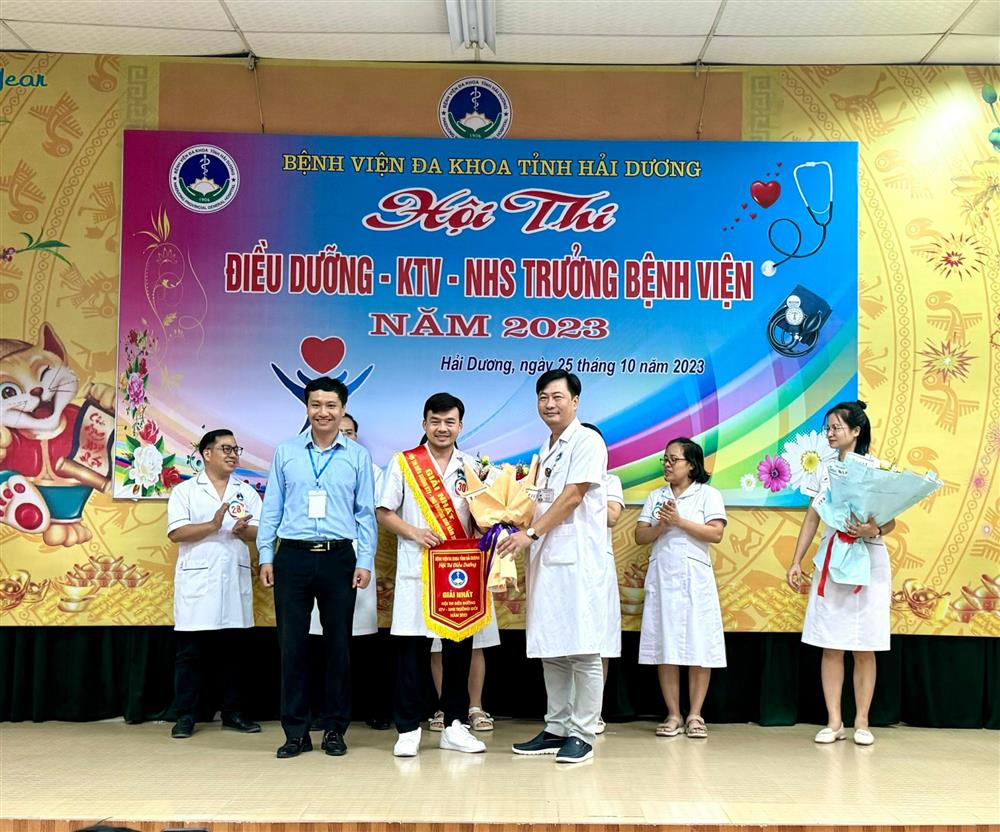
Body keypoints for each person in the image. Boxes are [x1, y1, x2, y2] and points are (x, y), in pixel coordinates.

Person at [257, 376, 375, 759]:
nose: (323, 412)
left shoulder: (357, 456)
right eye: (316, 405)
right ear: (306, 408)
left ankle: (335, 729)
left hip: (339, 558)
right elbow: (272, 507)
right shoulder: (286, 452)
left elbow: (365, 513)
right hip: (292, 557)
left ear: (342, 409)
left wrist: (365, 560)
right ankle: (295, 732)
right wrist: (266, 554)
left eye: (331, 406)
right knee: (292, 647)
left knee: (338, 647)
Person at [496, 370, 608, 764]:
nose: (550, 404)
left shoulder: (587, 441)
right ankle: (556, 727)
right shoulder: (547, 447)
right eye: (543, 397)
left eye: (558, 396)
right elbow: (539, 498)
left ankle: (583, 732)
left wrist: (529, 533)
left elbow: (573, 496)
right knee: (553, 647)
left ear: (575, 401)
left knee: (583, 648)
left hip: (576, 560)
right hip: (547, 558)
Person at [376, 392, 487, 757]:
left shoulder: (473, 466)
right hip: (417, 569)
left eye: (449, 422)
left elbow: (482, 516)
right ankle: (408, 729)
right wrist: (414, 532)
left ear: (460, 426)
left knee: (458, 650)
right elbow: (383, 511)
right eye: (435, 421)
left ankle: (455, 725)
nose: (442, 428)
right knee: (411, 651)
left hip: (458, 574)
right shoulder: (405, 463)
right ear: (424, 424)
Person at [786, 400, 894, 747]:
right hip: (832, 558)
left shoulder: (877, 469)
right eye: (828, 428)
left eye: (836, 427)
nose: (830, 434)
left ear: (856, 431)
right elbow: (812, 517)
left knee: (865, 645)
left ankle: (862, 721)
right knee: (831, 644)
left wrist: (873, 530)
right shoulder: (823, 469)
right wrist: (796, 560)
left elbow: (890, 520)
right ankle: (834, 721)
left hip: (869, 557)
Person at [166, 429, 262, 739]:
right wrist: (213, 525)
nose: (233, 454)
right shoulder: (185, 491)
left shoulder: (246, 492)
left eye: (236, 449)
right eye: (226, 449)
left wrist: (243, 531)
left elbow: (260, 532)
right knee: (191, 655)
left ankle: (233, 714)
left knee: (235, 654)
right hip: (198, 580)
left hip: (234, 577)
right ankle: (185, 716)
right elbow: (176, 533)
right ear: (207, 454)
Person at [634, 437, 727, 739]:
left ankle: (695, 714)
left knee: (700, 644)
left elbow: (715, 534)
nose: (667, 464)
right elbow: (640, 536)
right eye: (665, 459)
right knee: (666, 643)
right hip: (663, 576)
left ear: (692, 465)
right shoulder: (656, 496)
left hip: (695, 578)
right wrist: (661, 526)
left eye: (674, 459)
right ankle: (673, 714)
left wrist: (679, 521)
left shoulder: (708, 495)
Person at [308, 411, 391, 730]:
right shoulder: (311, 466)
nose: (344, 436)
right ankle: (322, 710)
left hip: (358, 555)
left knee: (362, 639)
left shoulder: (370, 469)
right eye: (340, 431)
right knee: (322, 639)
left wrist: (364, 559)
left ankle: (371, 707)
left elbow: (377, 513)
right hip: (319, 556)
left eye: (350, 432)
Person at [581, 423, 624, 735]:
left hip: (598, 566)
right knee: (567, 638)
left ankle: (593, 712)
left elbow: (611, 516)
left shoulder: (610, 481)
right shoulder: (554, 476)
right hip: (566, 564)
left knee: (600, 640)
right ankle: (567, 711)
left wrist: (577, 493)